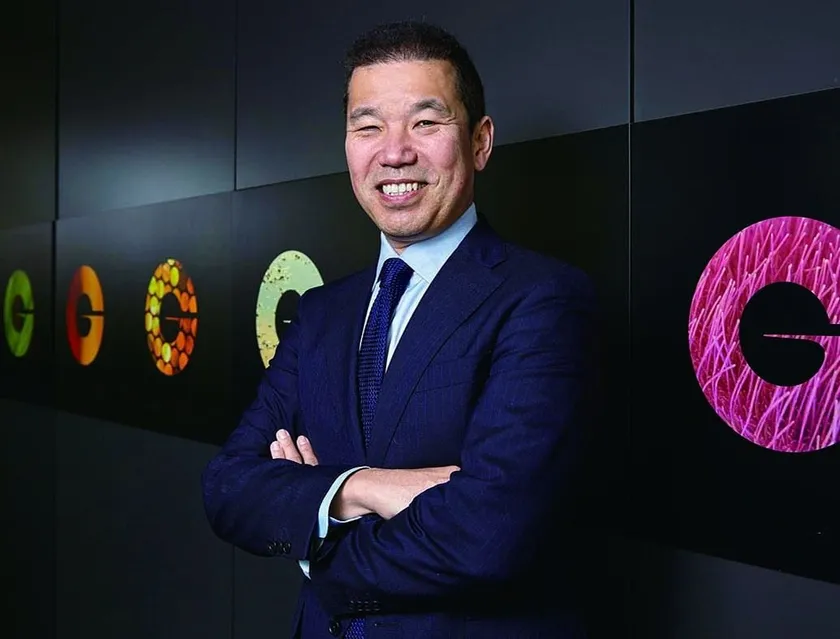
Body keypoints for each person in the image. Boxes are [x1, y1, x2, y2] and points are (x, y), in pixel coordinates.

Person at [202, 20, 598, 639]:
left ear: (480, 142)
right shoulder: (321, 312)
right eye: (368, 127)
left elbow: (486, 534)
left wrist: (316, 532)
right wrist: (360, 488)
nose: (394, 152)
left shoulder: (542, 299)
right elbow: (229, 488)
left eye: (425, 122)